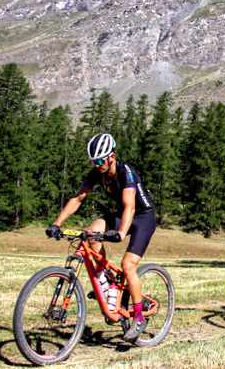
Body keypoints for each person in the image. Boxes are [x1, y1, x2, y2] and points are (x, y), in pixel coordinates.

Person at [45, 133, 157, 341]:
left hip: (143, 217)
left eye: (99, 160)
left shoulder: (126, 172)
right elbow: (78, 198)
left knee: (128, 265)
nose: (97, 165)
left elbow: (129, 206)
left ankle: (139, 317)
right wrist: (56, 223)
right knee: (91, 233)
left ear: (111, 156)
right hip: (123, 214)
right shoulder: (97, 173)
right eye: (93, 161)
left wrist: (122, 232)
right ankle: (109, 282)